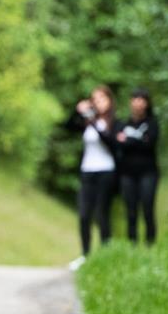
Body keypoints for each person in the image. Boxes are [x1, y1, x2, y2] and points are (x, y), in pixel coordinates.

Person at [65, 85, 118, 269]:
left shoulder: (113, 122)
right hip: (88, 170)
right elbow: (69, 127)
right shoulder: (87, 121)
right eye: (94, 99)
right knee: (84, 214)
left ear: (110, 101)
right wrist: (78, 111)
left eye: (101, 99)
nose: (97, 102)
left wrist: (93, 119)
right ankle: (85, 254)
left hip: (106, 171)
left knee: (102, 214)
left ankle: (105, 255)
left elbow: (109, 142)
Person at [116, 88, 161, 245]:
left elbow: (149, 145)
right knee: (131, 211)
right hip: (127, 173)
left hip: (148, 172)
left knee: (147, 209)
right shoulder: (123, 123)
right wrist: (138, 141)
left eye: (142, 99)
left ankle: (150, 243)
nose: (138, 103)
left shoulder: (152, 123)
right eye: (135, 98)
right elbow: (118, 144)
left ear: (147, 103)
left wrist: (128, 141)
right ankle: (132, 245)